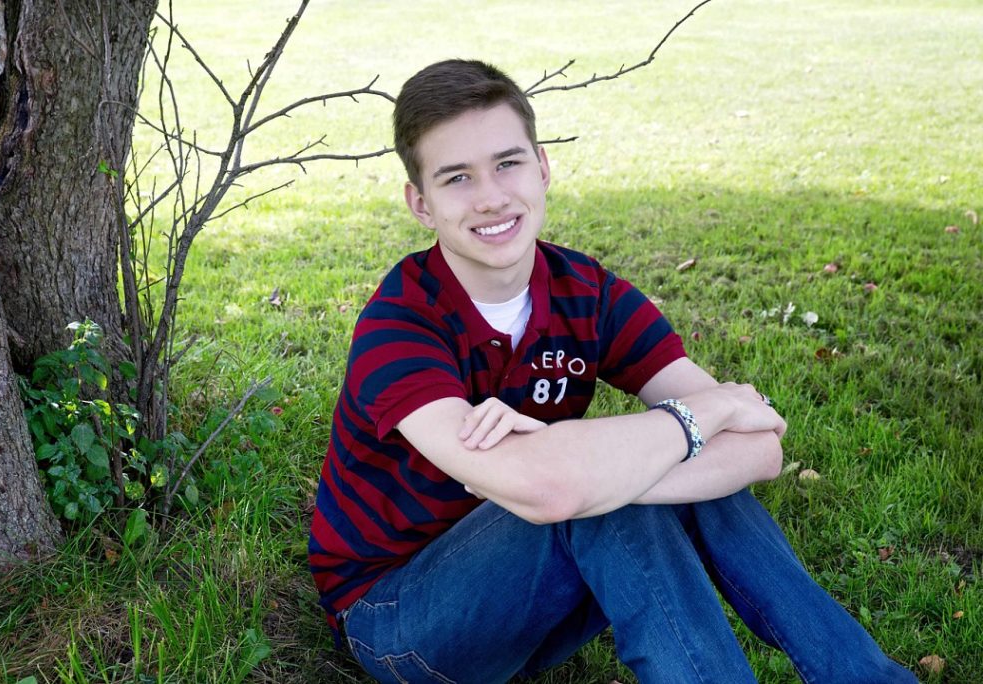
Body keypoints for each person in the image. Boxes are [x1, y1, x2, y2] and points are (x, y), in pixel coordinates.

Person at [308, 59, 917, 683]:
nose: (490, 196)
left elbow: (759, 450)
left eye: (507, 163)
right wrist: (696, 418)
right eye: (457, 177)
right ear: (421, 203)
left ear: (543, 167)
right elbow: (554, 491)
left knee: (623, 478)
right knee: (612, 486)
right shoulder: (399, 323)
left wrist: (592, 470)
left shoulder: (585, 290)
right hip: (400, 623)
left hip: (536, 598)